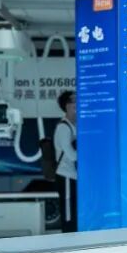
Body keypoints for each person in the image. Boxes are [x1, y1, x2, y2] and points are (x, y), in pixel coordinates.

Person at [53, 90, 77, 232]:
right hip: (66, 175)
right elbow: (71, 155)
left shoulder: (75, 125)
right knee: (68, 212)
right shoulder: (63, 127)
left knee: (73, 209)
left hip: (74, 176)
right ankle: (68, 237)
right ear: (66, 106)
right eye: (74, 100)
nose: (77, 103)